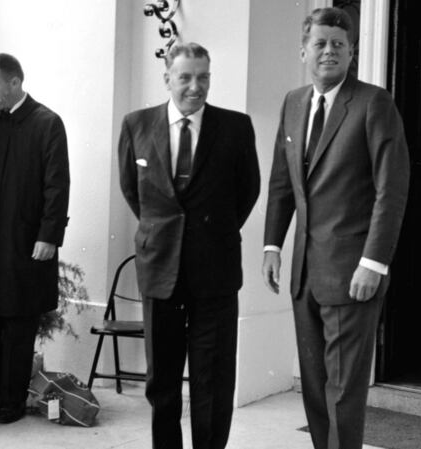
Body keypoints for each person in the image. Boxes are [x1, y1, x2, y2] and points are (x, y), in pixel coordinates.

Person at [262, 8, 409, 449]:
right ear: (303, 50)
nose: (329, 52)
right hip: (304, 274)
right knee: (314, 384)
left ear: (353, 52)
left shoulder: (373, 102)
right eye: (321, 44)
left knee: (343, 391)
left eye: (339, 45)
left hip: (352, 273)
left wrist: (374, 262)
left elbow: (392, 189)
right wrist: (272, 245)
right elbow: (282, 182)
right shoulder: (293, 102)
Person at [117, 42, 260, 449]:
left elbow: (247, 191)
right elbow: (134, 192)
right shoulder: (136, 125)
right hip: (160, 269)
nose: (195, 87)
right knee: (161, 381)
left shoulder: (236, 127)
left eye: (203, 77)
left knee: (212, 382)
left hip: (214, 272)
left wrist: (209, 234)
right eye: (185, 77)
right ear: (167, 79)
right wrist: (166, 233)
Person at [0, 53, 70, 424]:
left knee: (19, 325)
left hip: (26, 244)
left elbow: (57, 185)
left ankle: (11, 403)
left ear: (14, 82)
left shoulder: (47, 123)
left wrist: (49, 236)